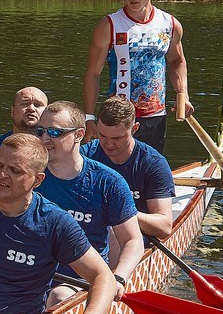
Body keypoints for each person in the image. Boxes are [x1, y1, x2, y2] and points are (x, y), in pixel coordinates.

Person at [0, 133, 115, 314]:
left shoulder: (54, 222)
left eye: (15, 171)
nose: (2, 175)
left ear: (38, 180)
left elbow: (103, 276)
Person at [32, 100, 145, 292]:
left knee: (59, 296)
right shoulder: (28, 173)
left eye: (54, 132)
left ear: (79, 135)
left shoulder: (109, 182)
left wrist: (118, 278)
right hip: (30, 274)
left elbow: (132, 241)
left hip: (80, 281)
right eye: (40, 131)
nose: (44, 139)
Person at [82, 0, 188, 152]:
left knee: (150, 166)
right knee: (115, 166)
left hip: (155, 116)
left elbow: (176, 61)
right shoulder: (109, 25)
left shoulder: (170, 24)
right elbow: (93, 73)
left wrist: (183, 94)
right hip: (117, 116)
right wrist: (89, 118)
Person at [83, 96, 177, 242]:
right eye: (102, 135)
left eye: (117, 138)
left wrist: (120, 212)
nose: (108, 144)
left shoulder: (153, 164)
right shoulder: (85, 156)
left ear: (134, 129)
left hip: (133, 238)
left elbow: (164, 227)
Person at [0, 85, 48, 160]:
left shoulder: (53, 147)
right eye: (25, 104)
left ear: (46, 112)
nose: (31, 109)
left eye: (38, 105)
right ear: (12, 111)